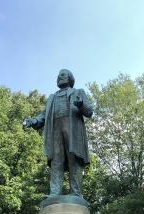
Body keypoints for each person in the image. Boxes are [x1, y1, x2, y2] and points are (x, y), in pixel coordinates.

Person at [24, 69, 93, 197]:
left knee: (74, 159)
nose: (60, 77)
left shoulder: (78, 92)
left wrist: (81, 105)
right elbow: (44, 115)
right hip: (55, 129)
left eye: (63, 75)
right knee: (56, 161)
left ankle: (76, 193)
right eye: (58, 76)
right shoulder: (52, 98)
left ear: (70, 78)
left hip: (72, 130)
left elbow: (89, 111)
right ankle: (54, 193)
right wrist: (34, 120)